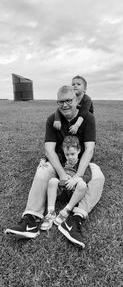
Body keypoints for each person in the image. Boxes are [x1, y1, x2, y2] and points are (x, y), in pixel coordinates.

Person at [5, 85, 105, 248]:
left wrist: (79, 175)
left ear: (76, 101)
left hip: (80, 162)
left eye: (68, 101)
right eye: (61, 102)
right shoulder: (52, 119)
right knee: (42, 170)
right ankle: (31, 220)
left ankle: (74, 220)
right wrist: (62, 174)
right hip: (59, 161)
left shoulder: (88, 118)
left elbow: (89, 149)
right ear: (57, 103)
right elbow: (49, 149)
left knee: (99, 175)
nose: (65, 105)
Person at [40, 135, 91, 231]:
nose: (70, 157)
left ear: (79, 151)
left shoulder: (82, 163)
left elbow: (88, 176)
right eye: (67, 154)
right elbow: (49, 156)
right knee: (52, 181)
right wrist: (42, 160)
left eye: (73, 154)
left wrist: (77, 179)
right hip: (61, 191)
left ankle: (66, 210)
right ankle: (51, 212)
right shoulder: (63, 160)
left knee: (83, 184)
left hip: (74, 194)